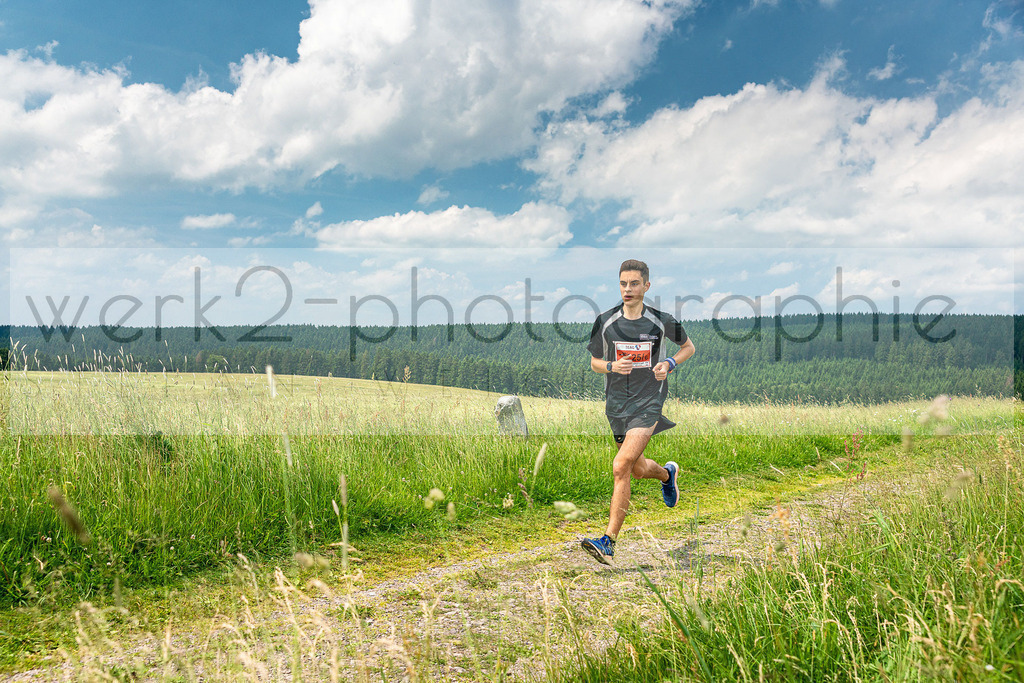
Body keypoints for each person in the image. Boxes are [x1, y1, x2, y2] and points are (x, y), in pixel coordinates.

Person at [580, 259, 696, 565]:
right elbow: (594, 363)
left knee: (620, 466)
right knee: (638, 469)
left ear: (646, 286)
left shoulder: (661, 321)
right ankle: (667, 474)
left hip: (649, 401)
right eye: (623, 283)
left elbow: (688, 348)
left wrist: (669, 363)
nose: (628, 289)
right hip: (616, 404)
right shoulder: (605, 321)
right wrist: (611, 366)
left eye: (634, 283)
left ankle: (608, 542)